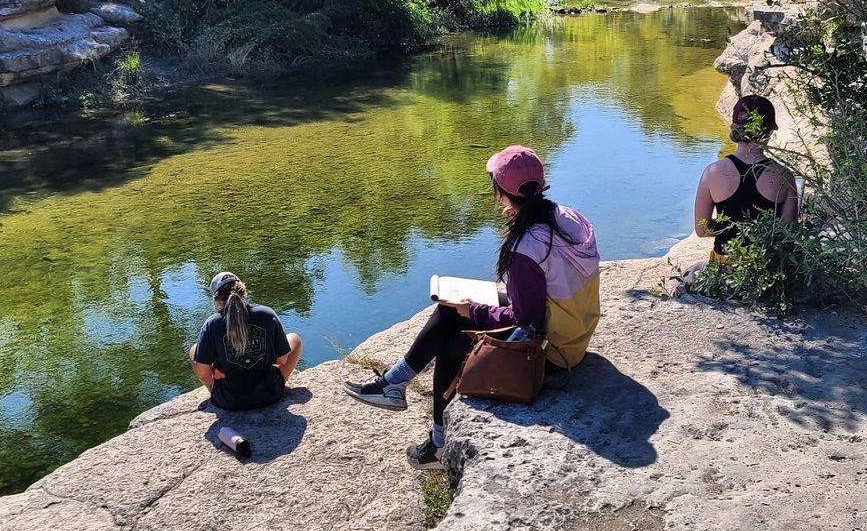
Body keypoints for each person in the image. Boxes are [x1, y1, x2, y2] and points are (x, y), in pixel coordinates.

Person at [341, 145, 601, 470]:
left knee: (451, 335)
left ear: (500, 193)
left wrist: (472, 311)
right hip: (576, 332)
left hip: (552, 353)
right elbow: (549, 285)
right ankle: (400, 391)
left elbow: (527, 321)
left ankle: (424, 426)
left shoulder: (526, 246)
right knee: (451, 314)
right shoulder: (569, 218)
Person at [675, 95, 799, 293]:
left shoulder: (712, 172)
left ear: (734, 128)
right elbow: (788, 232)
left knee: (690, 274)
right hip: (765, 273)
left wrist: (732, 224)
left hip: (724, 270)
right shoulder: (784, 176)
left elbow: (702, 230)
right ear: (769, 132)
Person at [189, 271, 302, 411]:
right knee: (294, 339)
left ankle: (215, 391)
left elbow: (202, 372)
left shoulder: (212, 324)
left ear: (216, 299)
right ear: (243, 291)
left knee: (194, 349)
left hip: (228, 401)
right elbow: (282, 360)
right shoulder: (266, 314)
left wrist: (217, 371)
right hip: (270, 394)